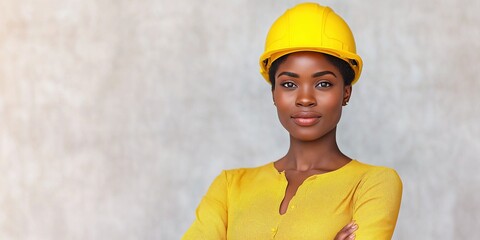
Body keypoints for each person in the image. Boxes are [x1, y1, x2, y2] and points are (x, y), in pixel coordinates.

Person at [183, 2, 402, 240]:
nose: (305, 99)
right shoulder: (228, 187)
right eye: (289, 84)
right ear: (274, 94)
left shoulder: (373, 184)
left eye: (323, 84)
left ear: (346, 93)